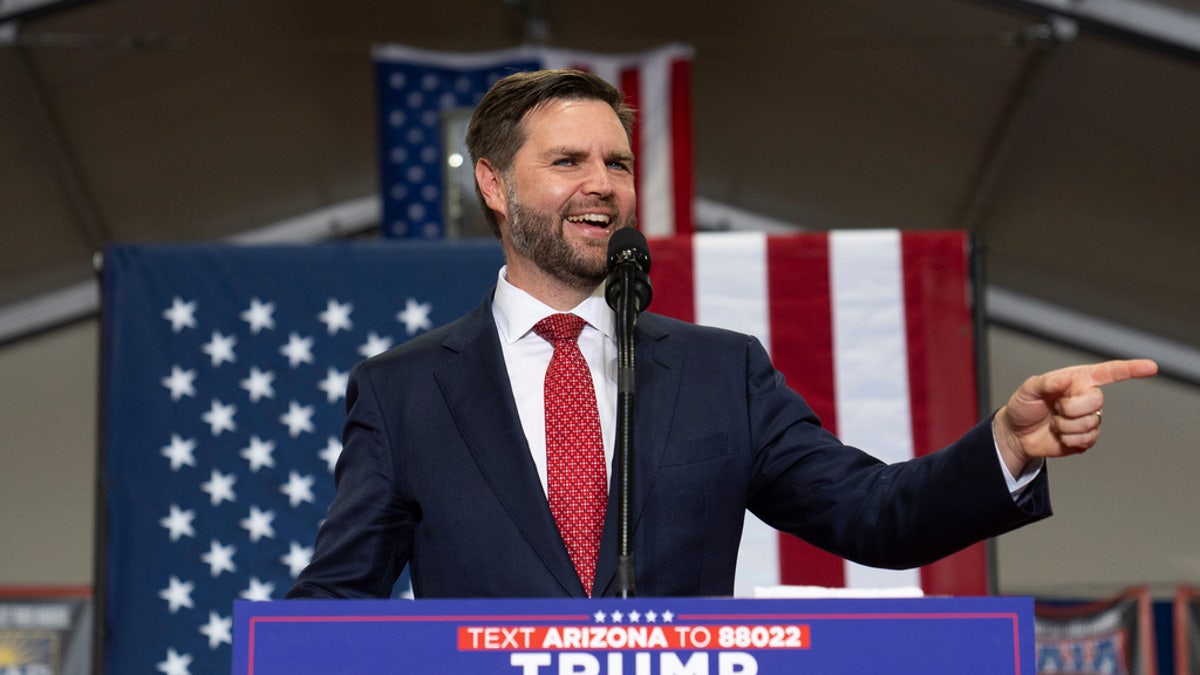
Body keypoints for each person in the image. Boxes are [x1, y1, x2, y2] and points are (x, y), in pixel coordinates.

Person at [287, 69, 1158, 600]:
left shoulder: (720, 372)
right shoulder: (404, 391)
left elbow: (875, 513)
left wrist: (1005, 445)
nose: (605, 185)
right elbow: (332, 599)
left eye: (618, 162)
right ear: (493, 183)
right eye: (568, 161)